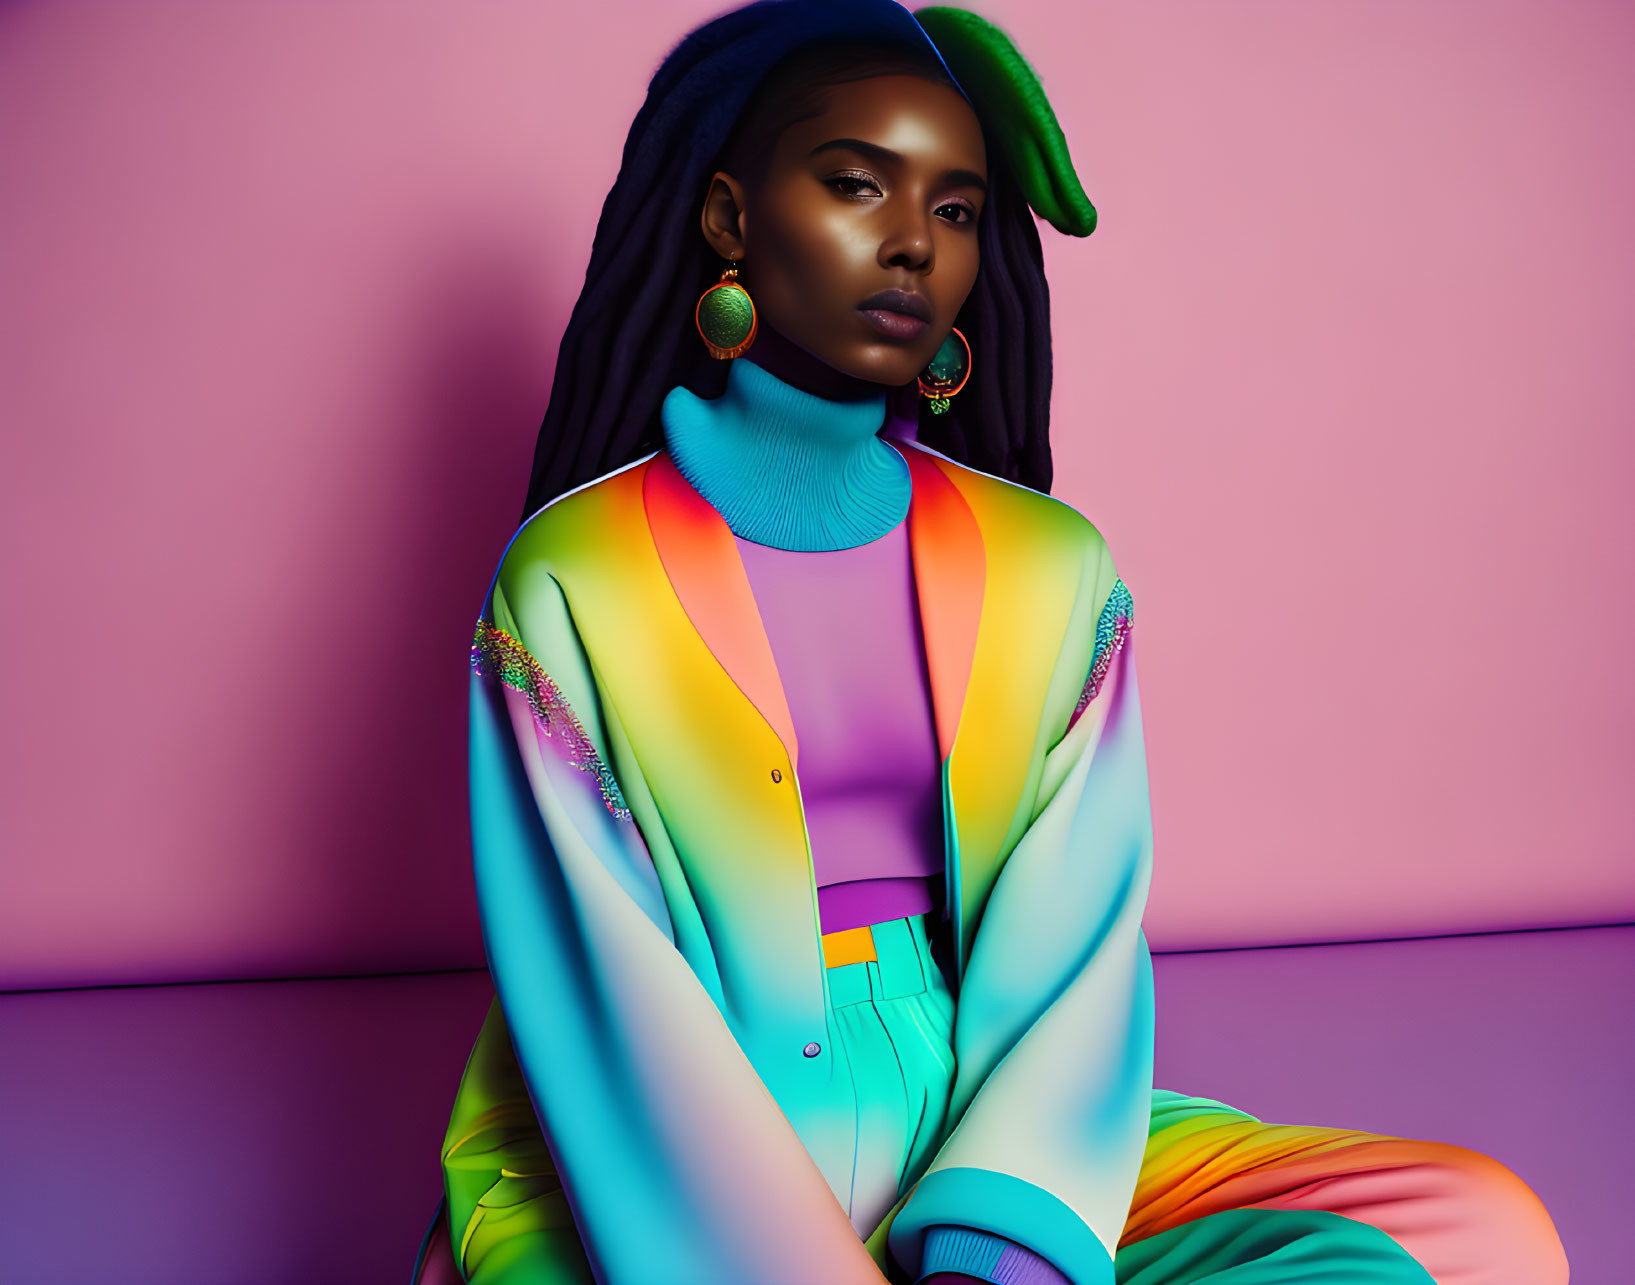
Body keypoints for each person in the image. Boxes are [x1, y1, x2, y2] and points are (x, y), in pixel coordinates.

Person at [412, 2, 1569, 1282]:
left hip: (979, 1097)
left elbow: (1073, 937)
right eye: (857, 185)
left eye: (955, 209)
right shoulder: (578, 575)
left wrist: (996, 1247)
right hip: (655, 1155)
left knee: (1476, 1232)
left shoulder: (1050, 568)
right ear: (734, 219)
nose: (911, 242)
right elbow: (603, 995)